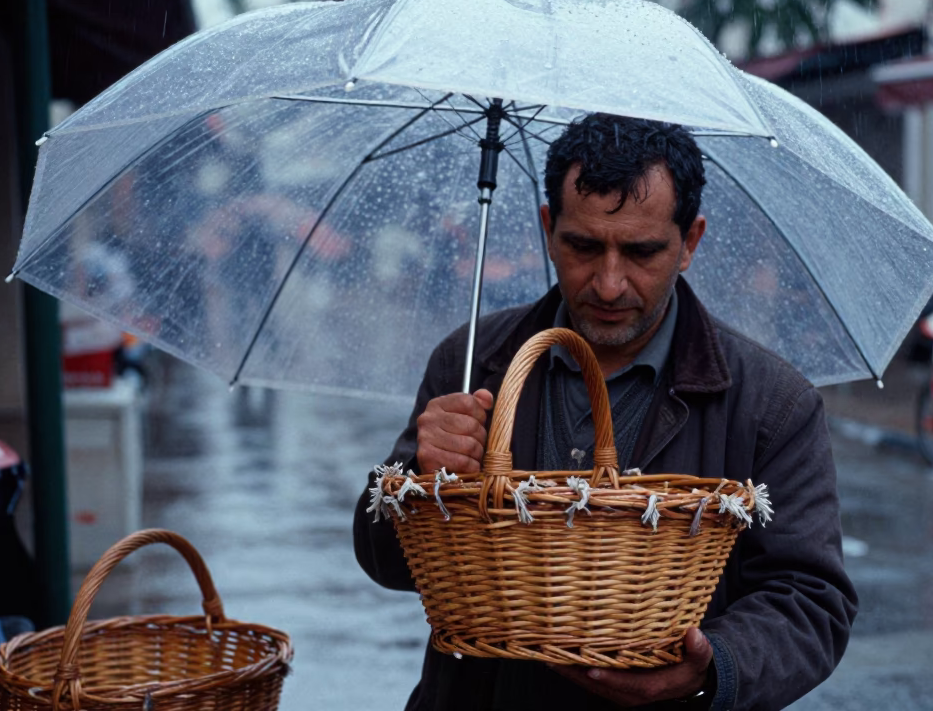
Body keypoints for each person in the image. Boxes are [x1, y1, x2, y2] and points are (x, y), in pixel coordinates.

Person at [353, 113, 857, 710]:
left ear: (690, 243)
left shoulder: (771, 403)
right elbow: (385, 560)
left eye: (642, 251)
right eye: (584, 246)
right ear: (548, 229)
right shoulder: (473, 364)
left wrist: (711, 667)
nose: (610, 284)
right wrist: (418, 482)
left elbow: (811, 601)